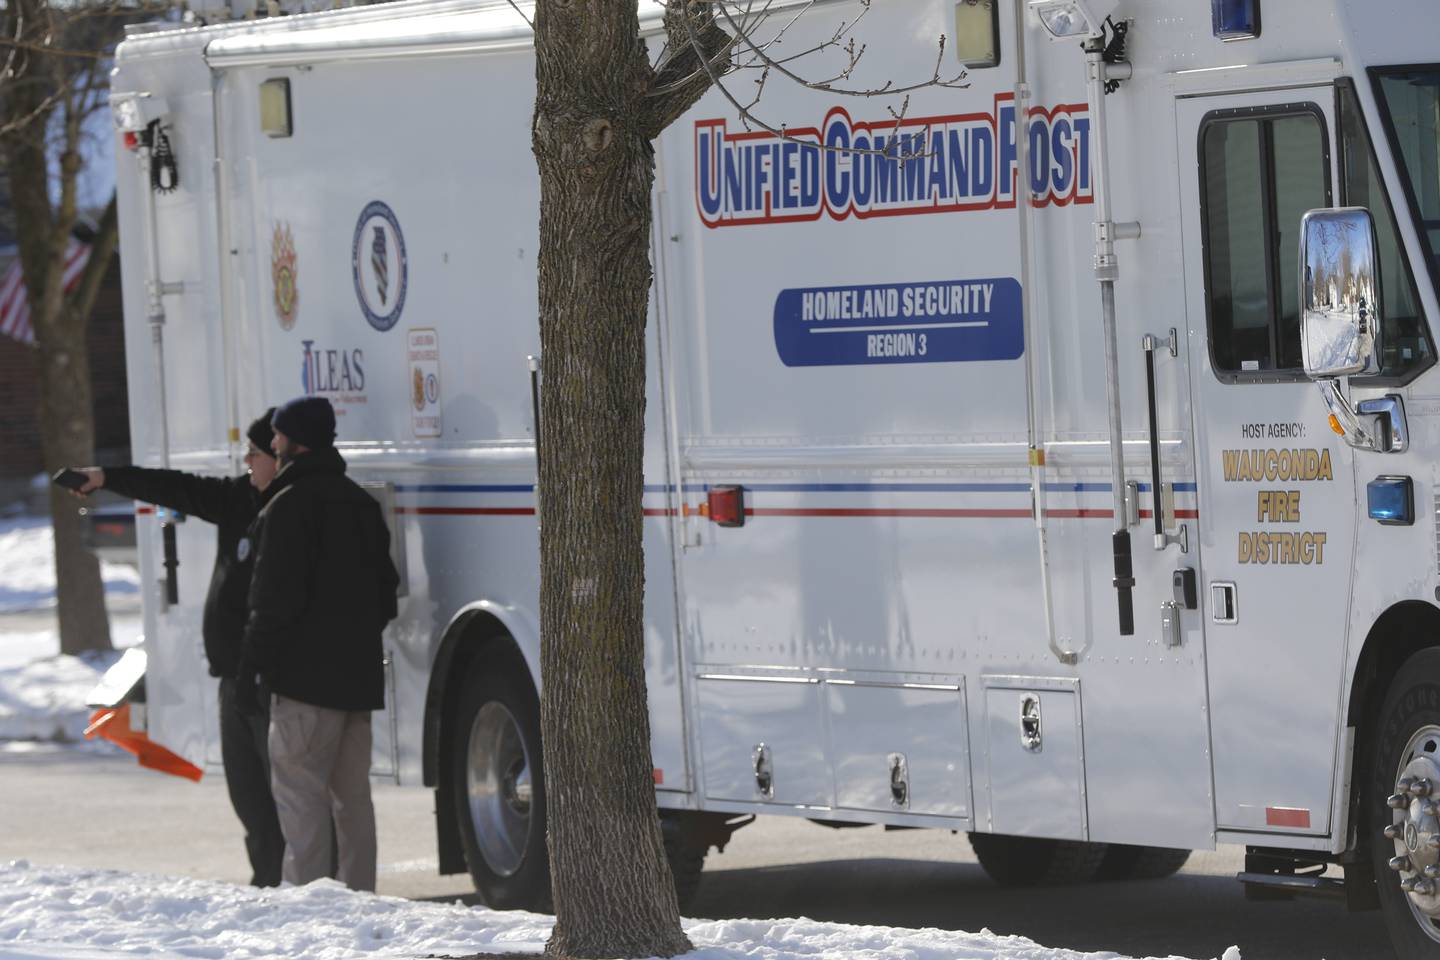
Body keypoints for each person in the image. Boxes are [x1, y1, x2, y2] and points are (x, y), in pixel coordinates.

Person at [67, 409, 286, 888]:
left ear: (280, 455)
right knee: (248, 792)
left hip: (278, 678)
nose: (246, 460)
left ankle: (302, 886)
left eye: (255, 452)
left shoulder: (295, 507)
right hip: (234, 674)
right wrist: (104, 478)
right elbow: (173, 486)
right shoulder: (238, 498)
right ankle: (268, 884)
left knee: (288, 795)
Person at [238, 395, 400, 891]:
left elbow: (272, 604)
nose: (271, 443)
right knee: (353, 805)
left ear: (297, 443)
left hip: (304, 689)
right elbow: (386, 595)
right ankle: (361, 905)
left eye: (279, 435)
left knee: (301, 805)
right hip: (357, 685)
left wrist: (249, 674)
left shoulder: (288, 506)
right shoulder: (358, 502)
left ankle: (309, 914)